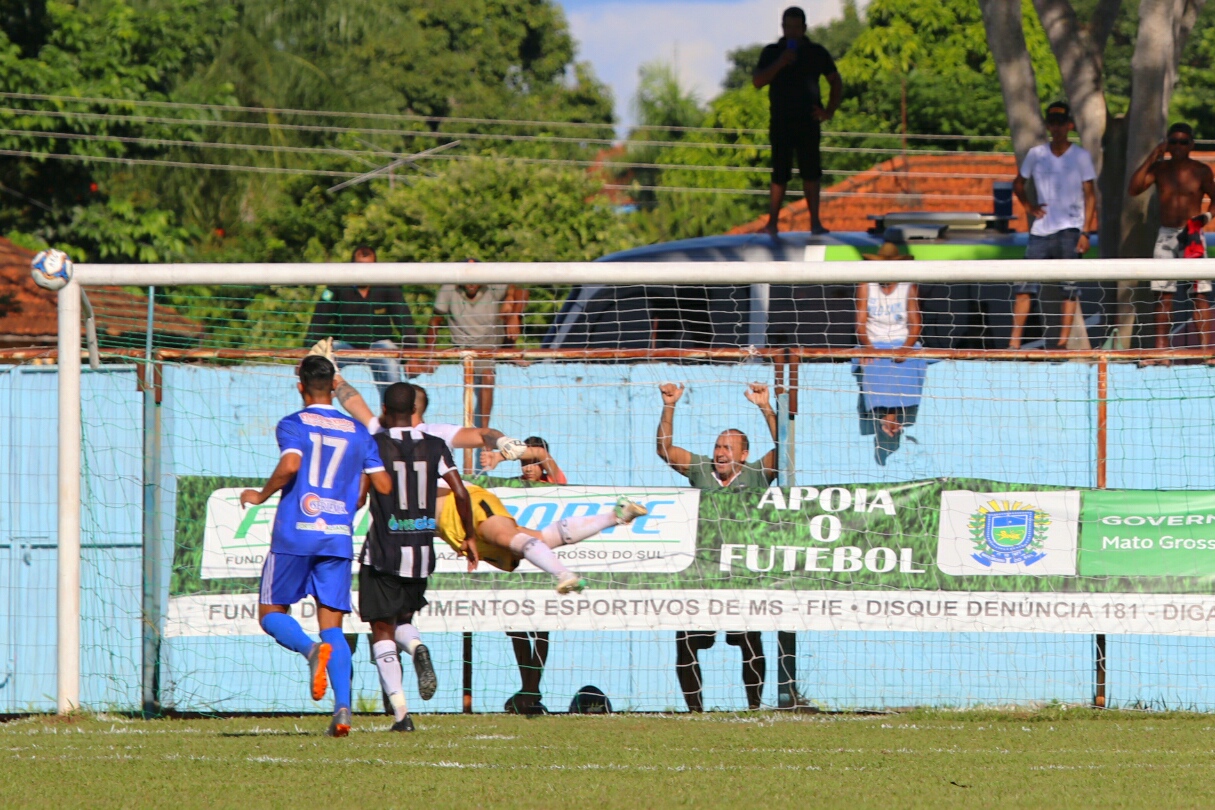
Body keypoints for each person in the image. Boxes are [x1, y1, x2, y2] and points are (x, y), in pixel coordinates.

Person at [316, 345, 649, 594]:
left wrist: (504, 443)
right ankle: (615, 515)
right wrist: (333, 372)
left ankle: (564, 575)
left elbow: (482, 434)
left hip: (461, 506)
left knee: (511, 538)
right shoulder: (380, 431)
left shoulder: (433, 433)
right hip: (443, 526)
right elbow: (353, 401)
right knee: (537, 539)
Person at [239, 355, 392, 737]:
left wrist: (260, 495)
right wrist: (355, 493)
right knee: (333, 627)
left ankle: (310, 652)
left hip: (296, 531)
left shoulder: (293, 424)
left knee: (270, 612)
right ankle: (343, 708)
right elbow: (382, 484)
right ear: (333, 388)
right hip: (337, 535)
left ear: (301, 387)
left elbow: (291, 465)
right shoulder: (359, 432)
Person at [360, 382, 477, 732]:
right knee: (403, 619)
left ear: (384, 409)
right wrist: (469, 535)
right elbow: (460, 492)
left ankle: (401, 714)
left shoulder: (374, 444)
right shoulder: (435, 445)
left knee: (381, 629)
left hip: (383, 551)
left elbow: (359, 497)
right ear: (414, 410)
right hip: (422, 552)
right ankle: (416, 645)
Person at [655, 382, 778, 711]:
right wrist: (670, 405)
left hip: (743, 571)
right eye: (717, 446)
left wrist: (765, 407)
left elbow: (787, 449)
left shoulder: (756, 474)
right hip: (702, 572)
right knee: (686, 640)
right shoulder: (701, 469)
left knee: (750, 641)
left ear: (743, 455)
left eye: (727, 447)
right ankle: (695, 711)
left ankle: (754, 708)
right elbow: (665, 450)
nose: (720, 453)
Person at [1009, 101, 1098, 350]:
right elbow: (1018, 183)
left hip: (1071, 230)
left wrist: (1086, 232)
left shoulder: (1080, 156)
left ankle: (1062, 343)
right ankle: (1014, 343)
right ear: (1048, 126)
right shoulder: (1036, 154)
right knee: (1024, 285)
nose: (1057, 128)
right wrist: (1029, 207)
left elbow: (1090, 195)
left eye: (1061, 123)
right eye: (1053, 123)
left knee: (1069, 288)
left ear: (1069, 125)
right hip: (1041, 230)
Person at [753, 6, 842, 236]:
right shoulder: (772, 52)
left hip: (808, 121)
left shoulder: (816, 52)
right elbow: (758, 81)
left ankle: (815, 223)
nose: (792, 32)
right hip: (781, 121)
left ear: (804, 28)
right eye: (788, 27)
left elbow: (835, 80)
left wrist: (829, 111)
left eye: (796, 27)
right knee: (779, 173)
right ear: (782, 27)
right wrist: (781, 62)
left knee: (811, 173)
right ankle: (772, 223)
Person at [1128, 121, 1215, 355]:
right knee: (1163, 294)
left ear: (1191, 144)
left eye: (1183, 142)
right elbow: (1134, 189)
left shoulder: (1201, 170)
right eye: (1173, 142)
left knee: (1199, 293)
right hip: (1166, 234)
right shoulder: (1160, 169)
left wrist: (1206, 217)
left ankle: (1206, 351)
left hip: (1193, 234)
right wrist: (1153, 156)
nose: (1178, 147)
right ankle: (1162, 351)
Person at [305, 246, 420, 398]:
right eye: (360, 267)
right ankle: (316, 407)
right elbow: (319, 319)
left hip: (379, 345)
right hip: (344, 345)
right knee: (320, 366)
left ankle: (393, 408)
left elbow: (404, 320)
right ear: (352, 266)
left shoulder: (388, 286)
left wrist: (412, 356)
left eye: (369, 267)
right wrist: (307, 355)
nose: (365, 272)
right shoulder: (337, 286)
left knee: (391, 363)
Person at [856, 241, 928, 465]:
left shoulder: (908, 287)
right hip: (874, 341)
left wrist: (906, 347)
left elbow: (916, 324)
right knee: (872, 365)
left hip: (901, 340)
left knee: (909, 365)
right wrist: (868, 346)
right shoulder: (866, 286)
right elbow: (860, 324)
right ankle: (888, 417)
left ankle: (892, 417)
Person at [428, 271, 528, 427]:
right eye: (468, 279)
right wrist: (429, 355)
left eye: (475, 279)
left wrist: (514, 312)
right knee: (484, 375)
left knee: (487, 375)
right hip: (464, 344)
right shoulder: (450, 289)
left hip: (490, 341)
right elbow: (435, 321)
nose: (471, 283)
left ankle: (484, 428)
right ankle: (480, 429)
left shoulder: (491, 286)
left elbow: (521, 287)